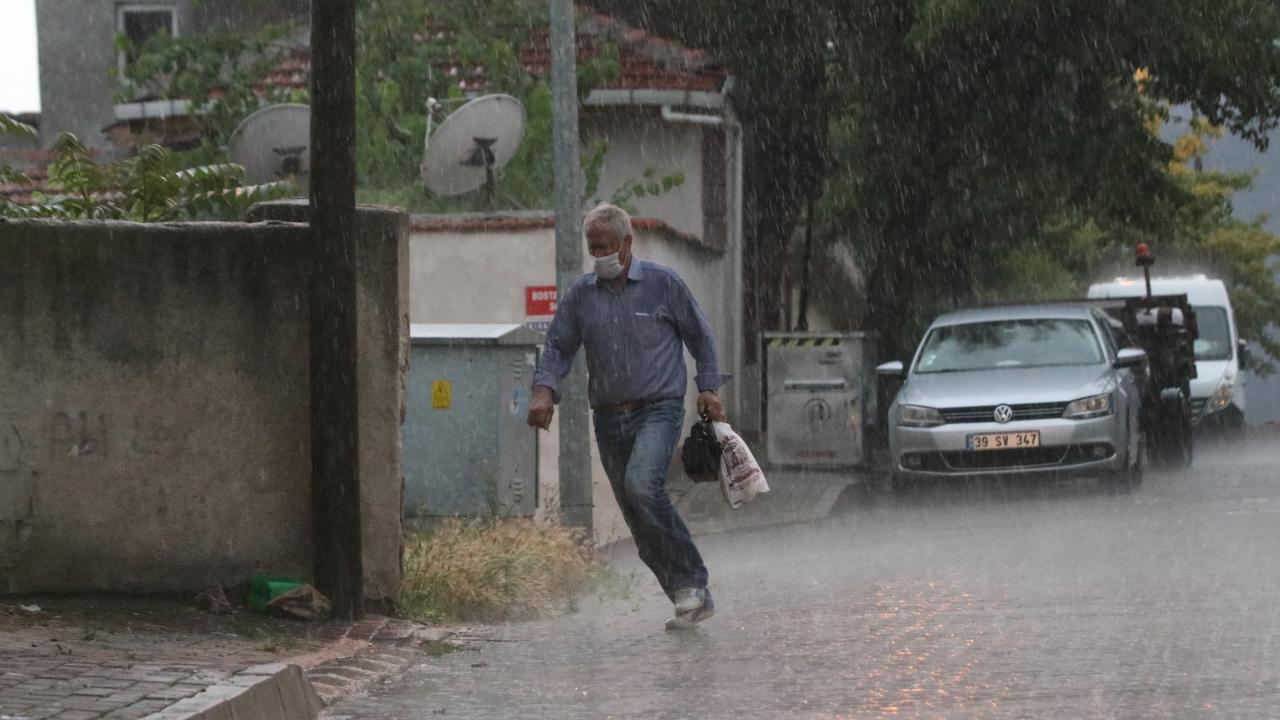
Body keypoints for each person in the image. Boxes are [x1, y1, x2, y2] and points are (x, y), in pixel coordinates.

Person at [527, 202, 728, 628]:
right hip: (607, 419)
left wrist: (708, 387)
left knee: (642, 486)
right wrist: (544, 391)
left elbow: (700, 334)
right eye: (593, 248)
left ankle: (692, 582)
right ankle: (685, 595)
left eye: (607, 246)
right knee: (637, 517)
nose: (600, 255)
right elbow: (558, 346)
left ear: (627, 243)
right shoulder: (582, 295)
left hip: (659, 409)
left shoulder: (662, 284)